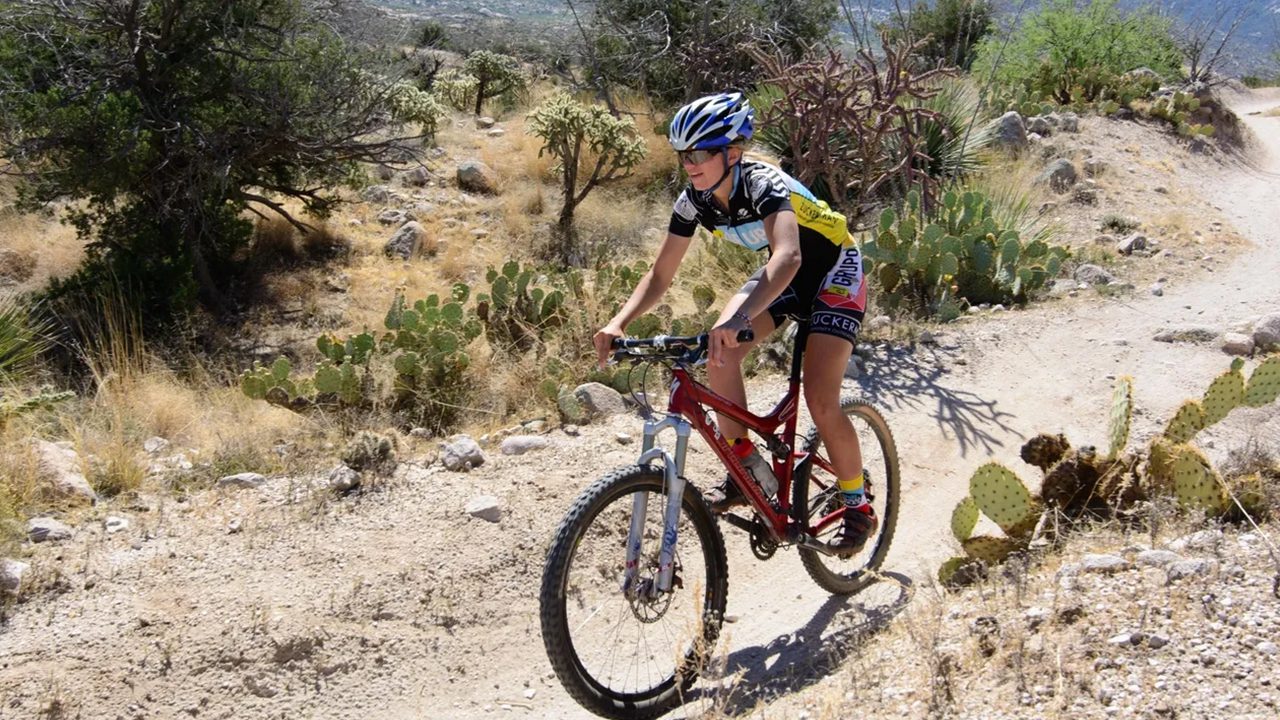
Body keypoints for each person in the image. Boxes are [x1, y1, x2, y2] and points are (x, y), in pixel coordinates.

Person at [592, 92, 875, 556]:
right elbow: (660, 274)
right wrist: (619, 321)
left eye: (702, 153)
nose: (691, 164)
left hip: (832, 272)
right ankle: (744, 468)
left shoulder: (763, 184)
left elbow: (789, 255)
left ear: (733, 153)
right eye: (685, 155)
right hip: (783, 277)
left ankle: (857, 502)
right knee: (718, 351)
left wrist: (741, 315)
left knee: (820, 399)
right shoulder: (693, 202)